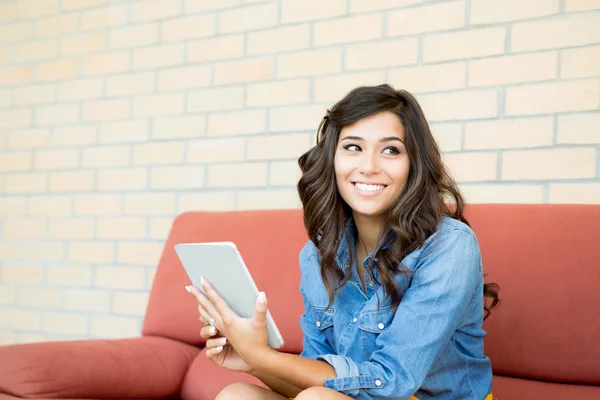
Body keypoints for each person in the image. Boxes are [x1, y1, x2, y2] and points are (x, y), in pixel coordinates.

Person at [186, 84, 500, 399]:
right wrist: (253, 362)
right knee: (238, 395)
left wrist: (264, 357)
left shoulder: (449, 245)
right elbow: (315, 380)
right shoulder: (317, 256)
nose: (368, 166)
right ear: (332, 159)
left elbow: (391, 382)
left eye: (391, 150)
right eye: (353, 147)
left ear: (414, 164)